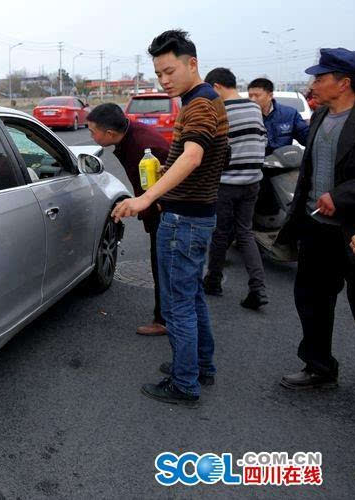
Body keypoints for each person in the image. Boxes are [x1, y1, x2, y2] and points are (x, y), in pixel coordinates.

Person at [112, 29, 229, 406]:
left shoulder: (199, 104)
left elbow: (193, 157)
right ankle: (199, 367)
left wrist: (146, 198)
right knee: (191, 297)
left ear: (191, 63)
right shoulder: (202, 100)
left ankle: (184, 383)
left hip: (184, 221)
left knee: (179, 304)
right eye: (158, 74)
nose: (164, 80)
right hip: (192, 215)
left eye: (169, 71)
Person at [276, 48, 355, 390]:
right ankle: (318, 365)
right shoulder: (318, 117)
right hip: (316, 227)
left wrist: (341, 197)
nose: (313, 83)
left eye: (321, 77)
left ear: (344, 83)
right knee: (311, 300)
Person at [87, 103, 171, 336]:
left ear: (110, 134)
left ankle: (165, 320)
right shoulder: (130, 137)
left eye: (93, 132)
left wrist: (149, 206)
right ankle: (167, 317)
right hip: (157, 210)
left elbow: (171, 182)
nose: (91, 136)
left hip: (168, 214)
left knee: (164, 266)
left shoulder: (146, 145)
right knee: (162, 265)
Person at [201, 68, 269, 309]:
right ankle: (257, 288)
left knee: (220, 233)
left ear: (217, 87)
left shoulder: (220, 111)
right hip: (252, 182)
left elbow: (212, 149)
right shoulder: (254, 108)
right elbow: (263, 139)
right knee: (245, 233)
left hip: (226, 184)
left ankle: (213, 281)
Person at [247, 77, 310, 155]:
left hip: (284, 163)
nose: (252, 99)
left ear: (270, 96)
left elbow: (308, 140)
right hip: (257, 165)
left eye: (257, 96)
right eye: (250, 96)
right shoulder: (245, 118)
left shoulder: (289, 115)